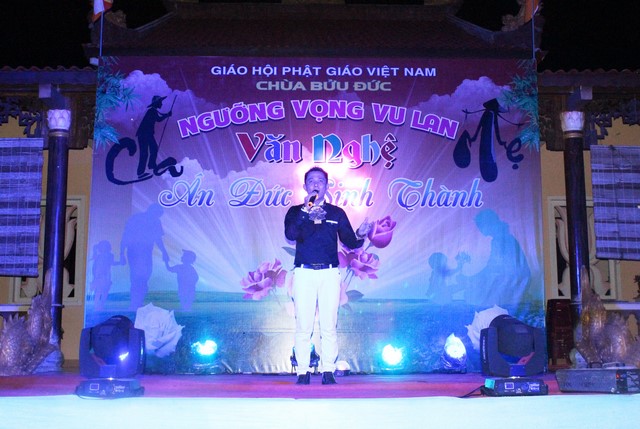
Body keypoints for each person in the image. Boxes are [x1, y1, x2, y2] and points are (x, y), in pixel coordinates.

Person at [284, 166, 371, 385]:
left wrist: (361, 234)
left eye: (320, 181)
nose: (316, 184)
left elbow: (351, 241)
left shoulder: (336, 213)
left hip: (330, 273)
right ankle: (302, 371)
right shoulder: (295, 211)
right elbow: (290, 234)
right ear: (305, 186)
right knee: (303, 325)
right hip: (303, 273)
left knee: (329, 325)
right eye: (311, 181)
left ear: (327, 186)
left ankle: (328, 370)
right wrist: (306, 210)